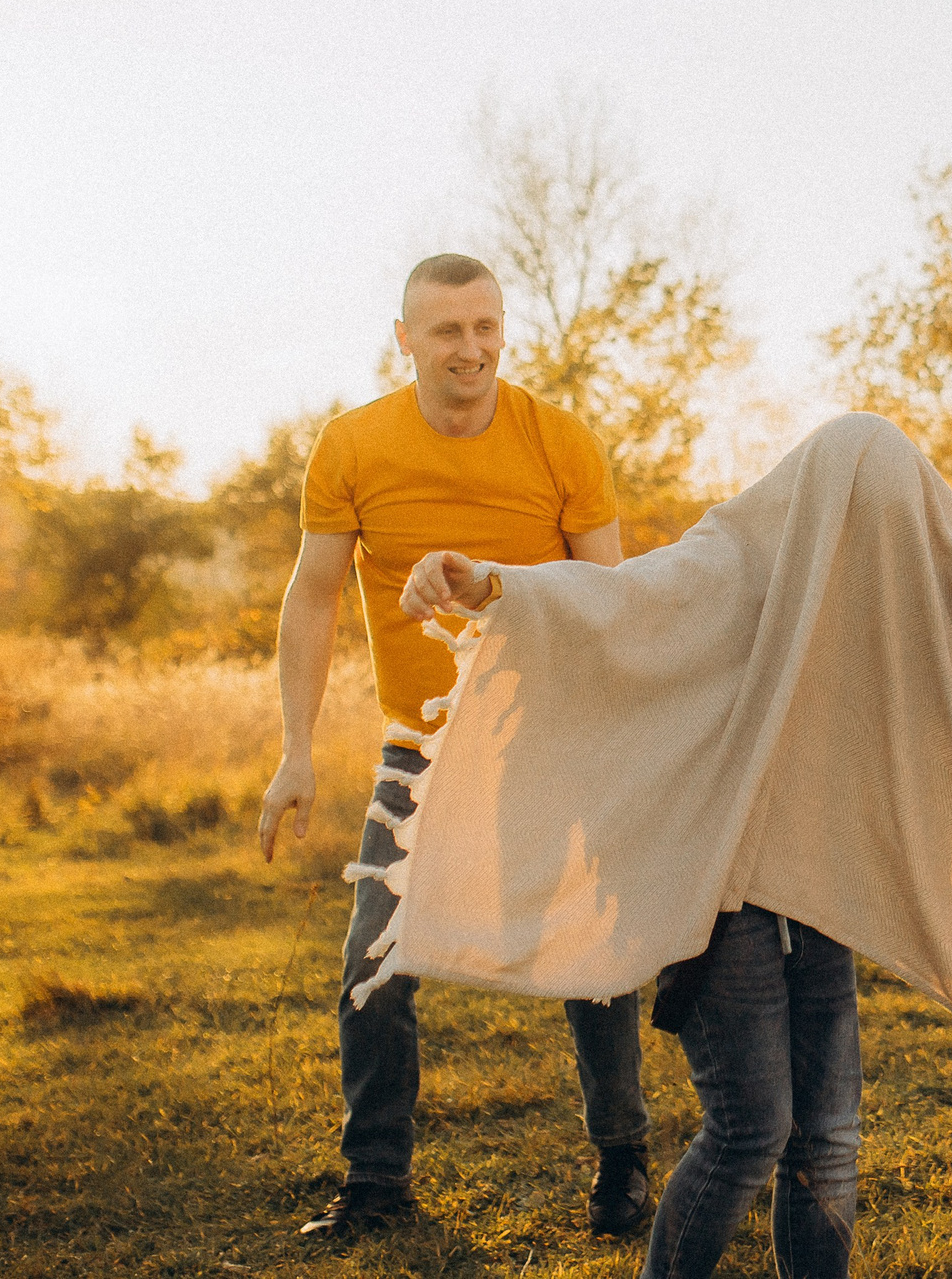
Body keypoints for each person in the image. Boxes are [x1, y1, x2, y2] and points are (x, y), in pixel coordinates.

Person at [395, 542, 952, 1279]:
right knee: (750, 1132)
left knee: (829, 1139)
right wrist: (492, 583)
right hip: (722, 896)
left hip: (819, 887)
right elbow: (621, 600)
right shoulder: (742, 562)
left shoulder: (898, 587)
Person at [254, 253, 656, 1240]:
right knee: (373, 957)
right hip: (421, 745)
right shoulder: (353, 445)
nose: (470, 348)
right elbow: (312, 595)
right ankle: (375, 1184)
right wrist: (296, 748)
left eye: (485, 326)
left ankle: (623, 1164)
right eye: (446, 330)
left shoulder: (560, 442)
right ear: (405, 339)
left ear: (502, 329)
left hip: (547, 737)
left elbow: (611, 603)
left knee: (590, 951)